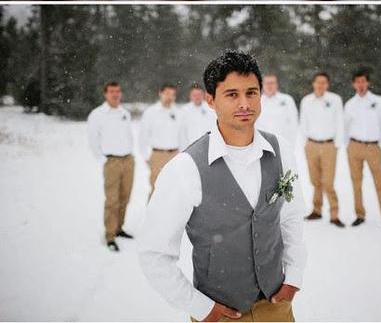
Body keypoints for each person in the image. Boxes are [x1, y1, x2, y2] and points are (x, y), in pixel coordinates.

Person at [138, 50, 307, 322]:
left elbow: (290, 216)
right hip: (220, 314)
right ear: (210, 101)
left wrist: (294, 276)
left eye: (251, 93)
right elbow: (153, 252)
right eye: (232, 94)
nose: (244, 103)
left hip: (277, 308)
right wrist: (200, 307)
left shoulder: (281, 150)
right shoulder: (185, 167)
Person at [344, 69, 381, 230]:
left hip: (373, 147)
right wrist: (348, 145)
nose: (360, 84)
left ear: (367, 83)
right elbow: (345, 126)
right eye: (357, 81)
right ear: (354, 84)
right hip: (354, 147)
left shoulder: (377, 102)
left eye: (363, 81)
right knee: (356, 182)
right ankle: (359, 215)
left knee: (380, 183)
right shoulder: (350, 104)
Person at [87, 81, 134, 252]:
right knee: (112, 200)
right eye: (112, 91)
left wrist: (130, 155)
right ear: (105, 94)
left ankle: (119, 228)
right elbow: (93, 140)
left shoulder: (124, 113)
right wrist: (103, 160)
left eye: (118, 91)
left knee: (125, 197)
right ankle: (110, 235)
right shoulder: (97, 114)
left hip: (128, 160)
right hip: (111, 161)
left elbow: (128, 135)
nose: (115, 94)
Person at [300, 72, 345, 227]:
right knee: (315, 181)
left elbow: (340, 122)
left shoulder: (335, 100)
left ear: (327, 84)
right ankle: (316, 210)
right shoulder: (306, 101)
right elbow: (303, 122)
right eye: (318, 82)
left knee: (328, 182)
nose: (320, 85)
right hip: (311, 145)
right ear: (313, 84)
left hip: (329, 145)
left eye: (323, 82)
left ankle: (334, 214)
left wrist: (337, 145)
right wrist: (304, 143)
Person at [139, 83, 181, 198]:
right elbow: (143, 137)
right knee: (156, 190)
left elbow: (182, 136)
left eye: (172, 94)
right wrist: (147, 157)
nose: (170, 97)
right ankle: (153, 215)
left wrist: (182, 155)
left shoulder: (178, 112)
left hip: (175, 155)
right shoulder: (151, 112)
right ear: (160, 93)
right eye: (167, 93)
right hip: (158, 155)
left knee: (174, 189)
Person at [255, 74, 299, 145]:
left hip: (283, 143)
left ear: (277, 84)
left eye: (272, 83)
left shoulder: (287, 100)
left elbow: (294, 123)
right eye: (267, 83)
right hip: (262, 144)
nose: (269, 85)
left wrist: (291, 143)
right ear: (262, 85)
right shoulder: (257, 101)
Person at [179, 83, 216, 150]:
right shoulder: (184, 111)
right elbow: (182, 133)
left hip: (209, 147)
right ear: (190, 96)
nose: (197, 97)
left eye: (199, 94)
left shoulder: (211, 109)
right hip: (190, 148)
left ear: (203, 95)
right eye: (194, 95)